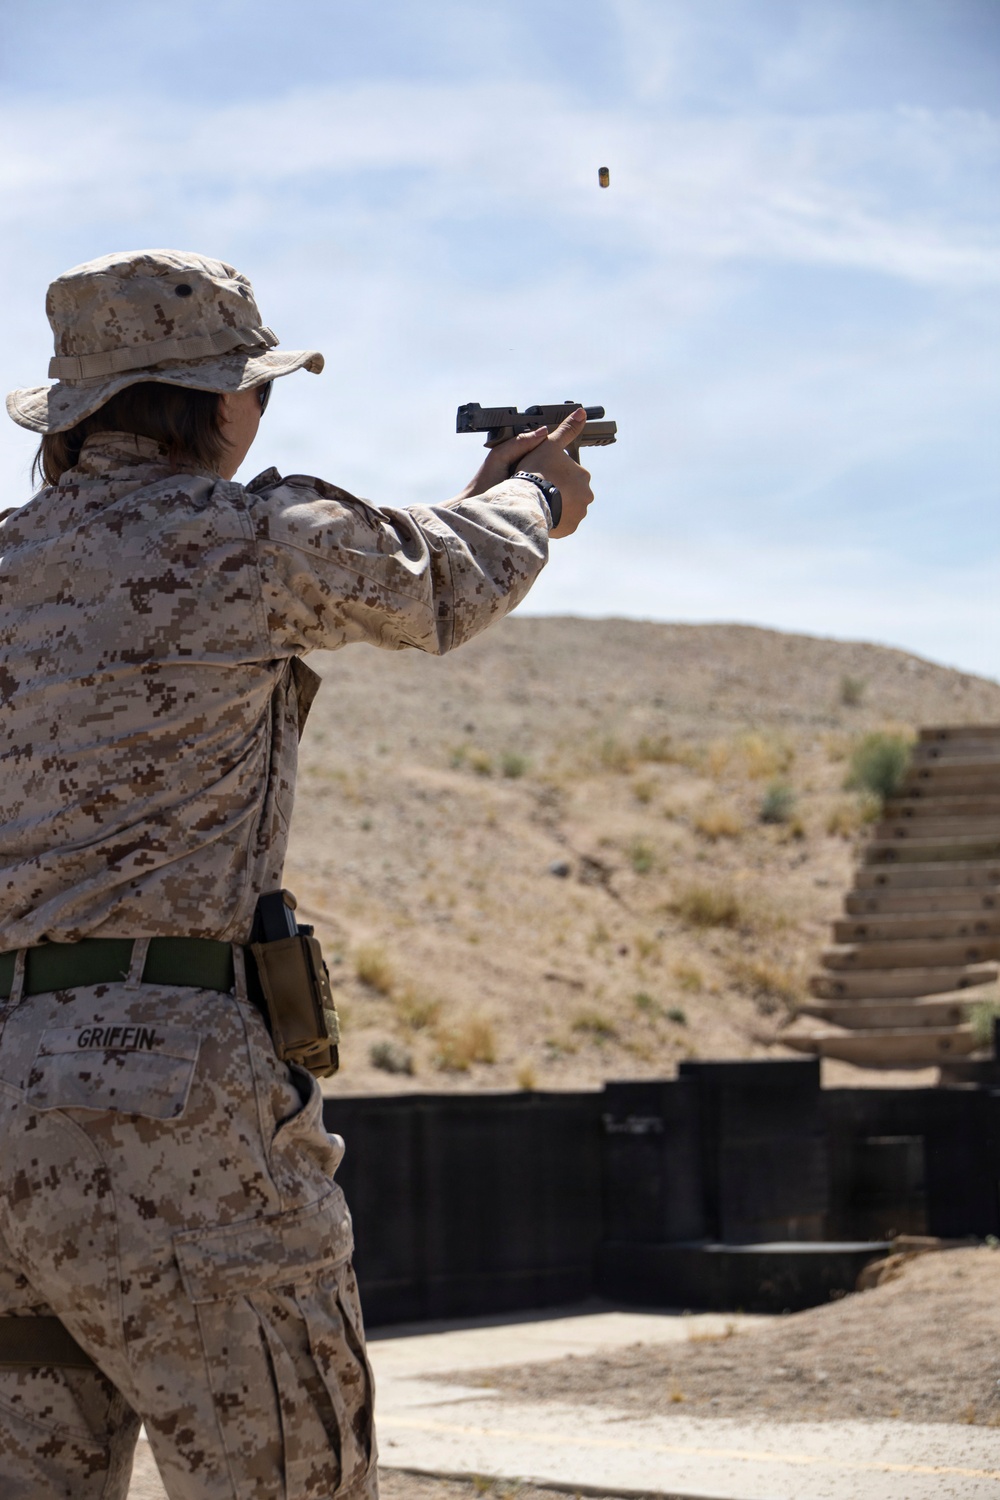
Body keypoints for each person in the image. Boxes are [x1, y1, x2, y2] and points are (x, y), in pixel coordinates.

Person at [0, 248, 593, 1500]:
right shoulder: (244, 535)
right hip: (167, 1103)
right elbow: (443, 580)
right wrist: (535, 492)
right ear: (212, 400)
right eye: (254, 388)